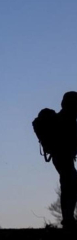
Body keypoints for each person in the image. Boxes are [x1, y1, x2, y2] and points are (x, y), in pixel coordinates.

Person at [50, 92, 77, 229]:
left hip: (61, 156)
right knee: (69, 184)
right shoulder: (66, 118)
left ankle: (68, 218)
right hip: (62, 156)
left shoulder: (67, 117)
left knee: (69, 184)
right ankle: (68, 218)